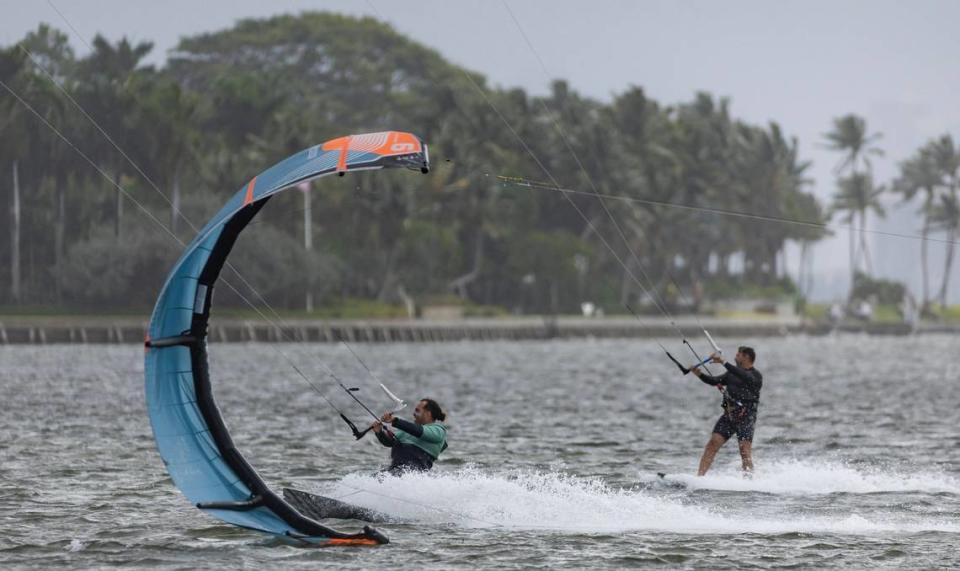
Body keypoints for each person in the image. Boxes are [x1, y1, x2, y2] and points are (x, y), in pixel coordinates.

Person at [691, 346, 762, 476]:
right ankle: (699, 477)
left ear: (746, 357)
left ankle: (750, 480)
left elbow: (743, 375)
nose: (735, 357)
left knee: (744, 451)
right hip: (729, 416)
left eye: (738, 355)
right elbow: (714, 381)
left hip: (746, 417)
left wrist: (723, 362)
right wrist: (699, 374)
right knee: (712, 443)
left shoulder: (755, 376)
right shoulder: (731, 374)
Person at [372, 398, 448, 474]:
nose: (414, 414)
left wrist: (395, 421)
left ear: (428, 413)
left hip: (414, 474)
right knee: (374, 476)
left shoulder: (438, 431)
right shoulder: (407, 430)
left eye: (417, 410)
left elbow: (419, 431)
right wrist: (379, 432)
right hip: (394, 470)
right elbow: (390, 442)